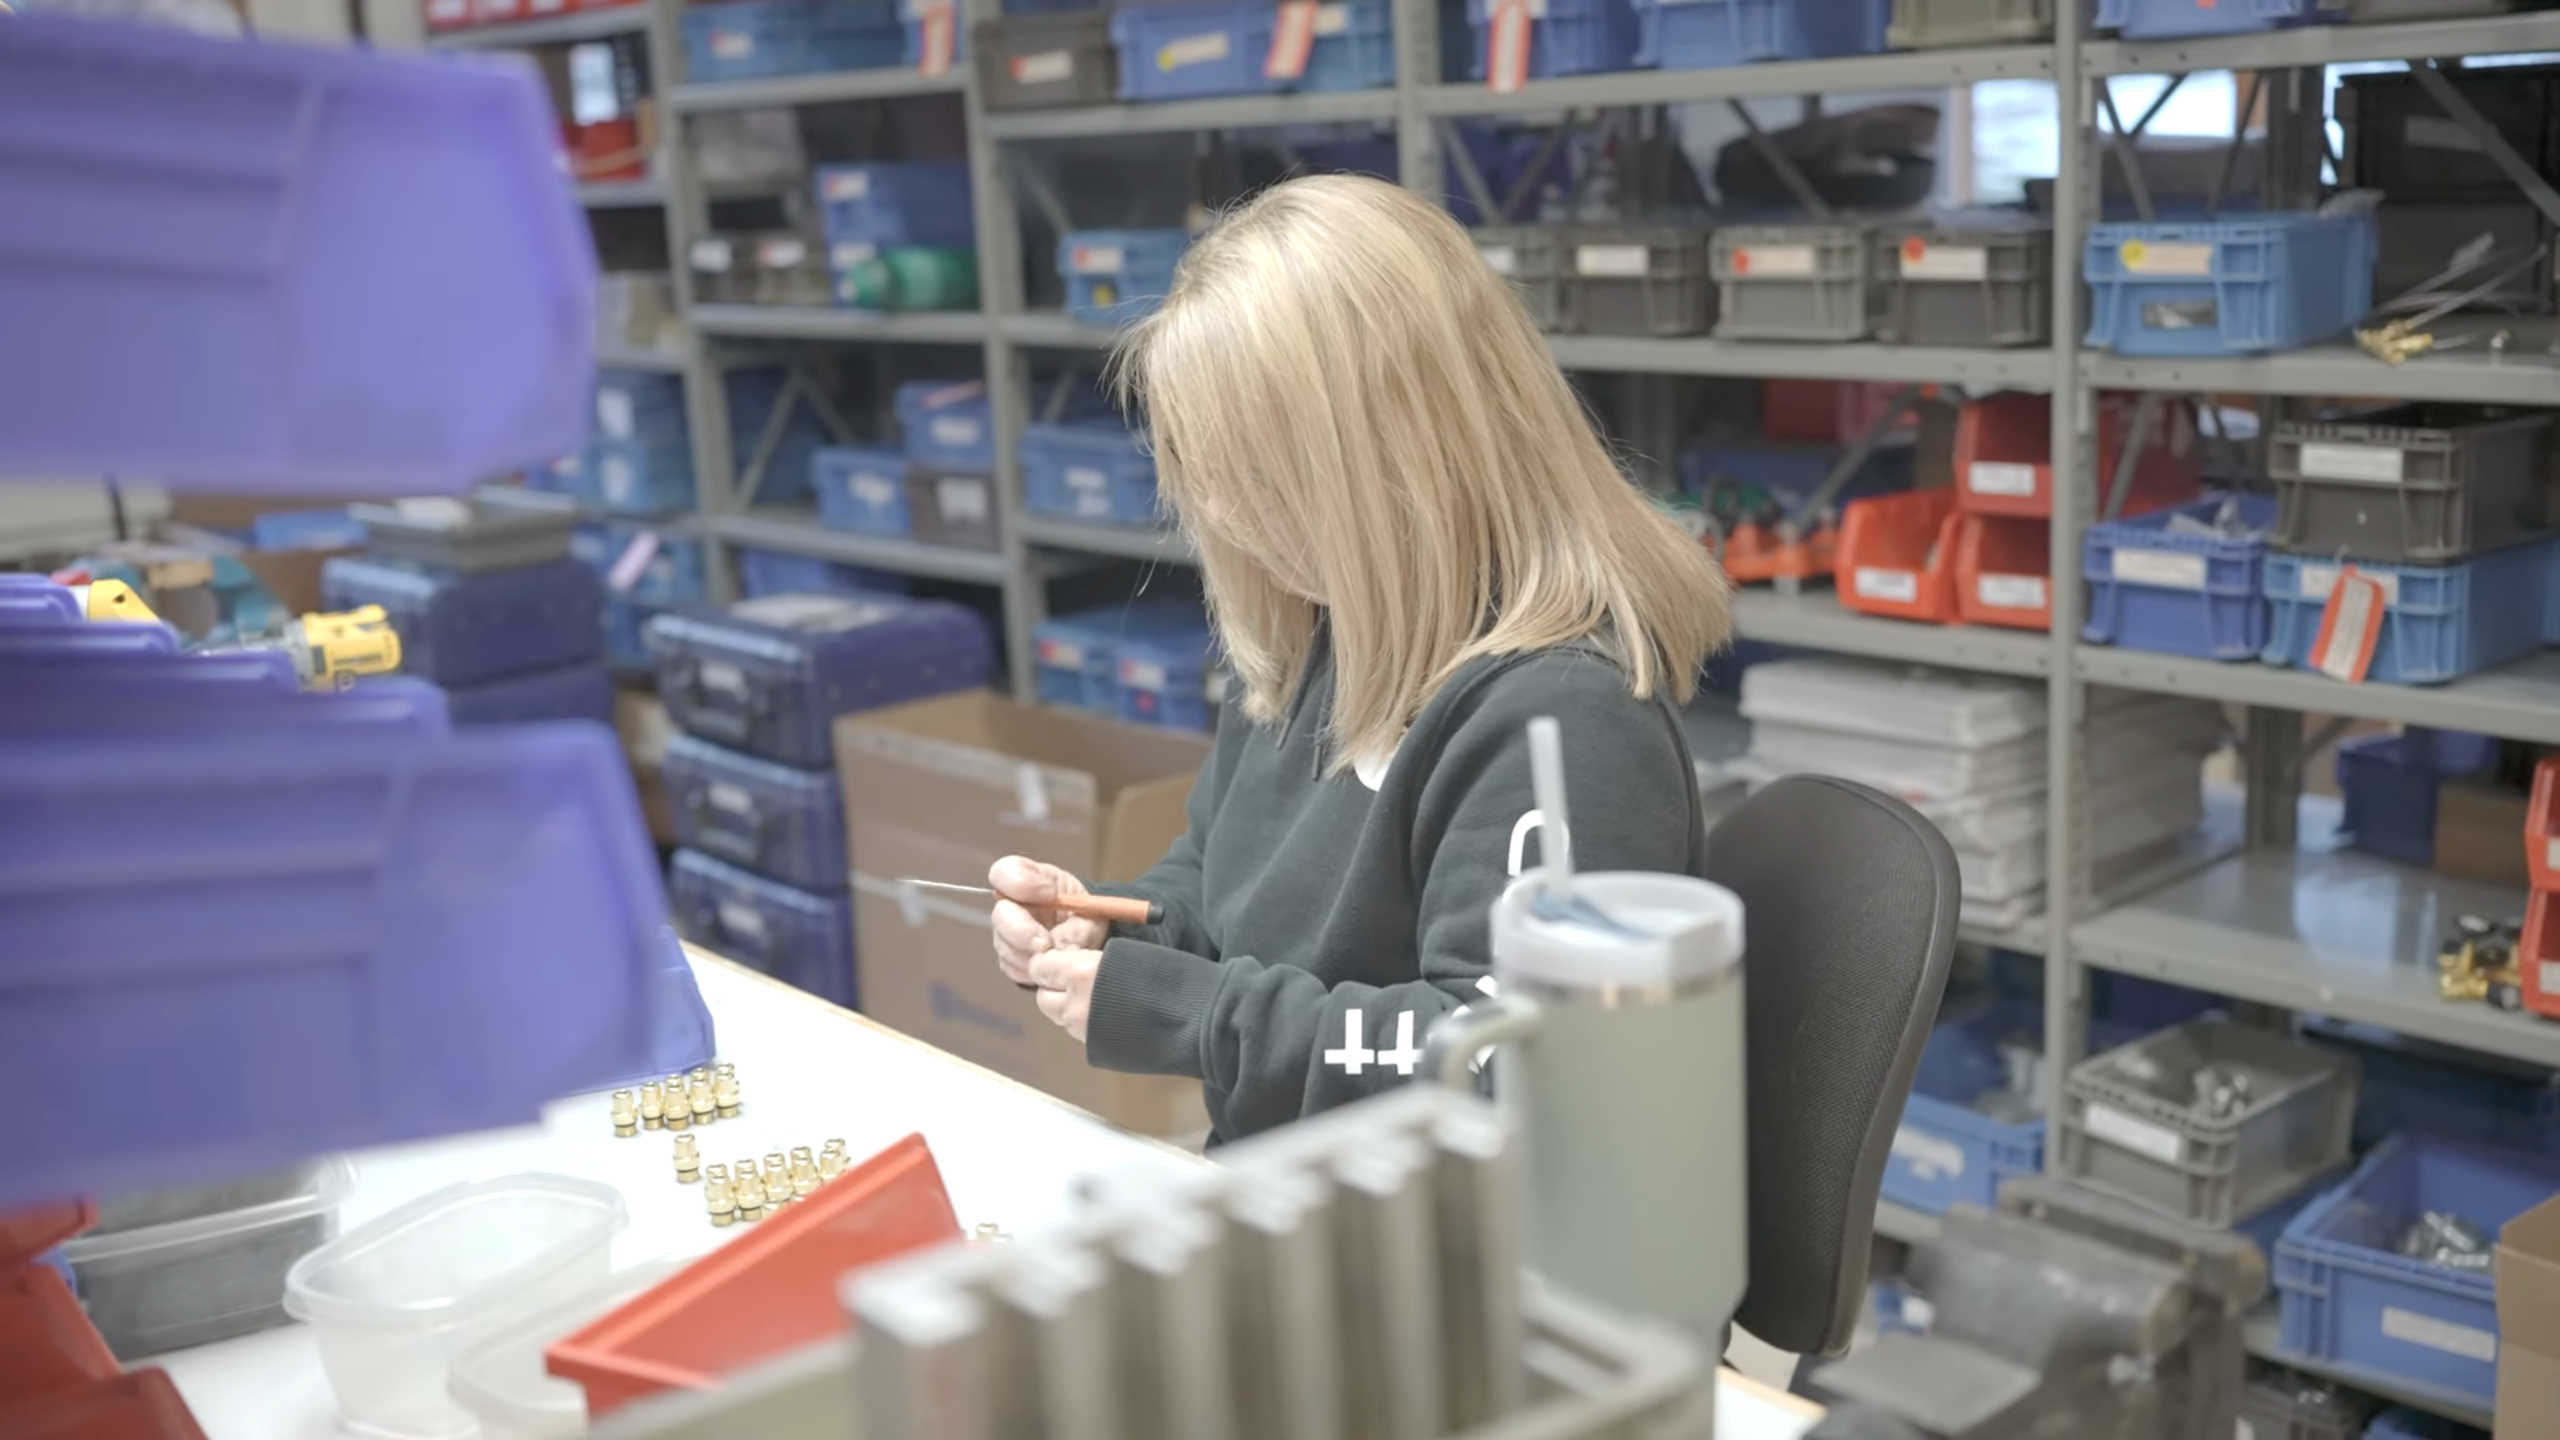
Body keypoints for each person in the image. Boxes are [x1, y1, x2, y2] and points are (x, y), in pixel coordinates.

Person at [989, 174, 1732, 1144]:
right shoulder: (1318, 635)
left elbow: (1511, 1056)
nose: (1220, 513)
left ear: (1408, 456)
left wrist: (1195, 1014)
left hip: (1457, 1223)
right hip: (1304, 1186)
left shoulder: (1562, 721)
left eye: (1259, 475)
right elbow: (1215, 876)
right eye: (1205, 473)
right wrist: (1114, 927)